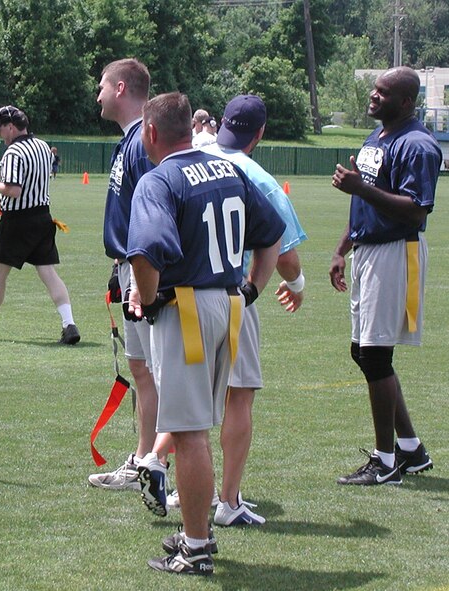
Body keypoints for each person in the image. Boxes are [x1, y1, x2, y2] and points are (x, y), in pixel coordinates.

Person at [126, 92, 284, 575]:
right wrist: (253, 288)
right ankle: (197, 527)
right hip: (228, 305)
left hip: (187, 308)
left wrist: (146, 298)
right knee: (197, 426)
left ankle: (195, 547)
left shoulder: (159, 179)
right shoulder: (229, 169)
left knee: (189, 433)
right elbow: (273, 232)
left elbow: (145, 251)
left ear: (151, 133)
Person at [200, 94, 308, 525]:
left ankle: (190, 486)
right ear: (260, 133)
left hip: (188, 297)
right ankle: (227, 501)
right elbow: (279, 248)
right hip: (234, 294)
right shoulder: (258, 177)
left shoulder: (196, 157)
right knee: (238, 396)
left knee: (193, 400)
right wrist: (296, 284)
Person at [330, 66, 439, 486]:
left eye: (383, 92)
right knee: (364, 353)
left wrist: (361, 189)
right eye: (374, 89)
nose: (373, 96)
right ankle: (410, 449)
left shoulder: (418, 145)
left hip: (397, 251)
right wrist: (343, 249)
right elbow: (367, 201)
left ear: (406, 101)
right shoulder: (377, 138)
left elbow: (415, 209)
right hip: (369, 250)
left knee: (376, 355)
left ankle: (385, 460)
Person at [87, 58, 158, 491]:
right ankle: (142, 460)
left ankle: (157, 464)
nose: (97, 94)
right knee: (141, 369)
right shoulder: (131, 140)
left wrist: (138, 272)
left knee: (156, 370)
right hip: (128, 268)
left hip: (143, 272)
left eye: (101, 85)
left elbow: (155, 215)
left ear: (120, 89)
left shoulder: (142, 142)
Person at [0, 105, 80, 345]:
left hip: (17, 221)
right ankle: (69, 323)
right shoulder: (43, 146)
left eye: (0, 129)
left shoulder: (14, 153)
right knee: (48, 273)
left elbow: (13, 190)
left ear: (11, 127)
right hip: (43, 218)